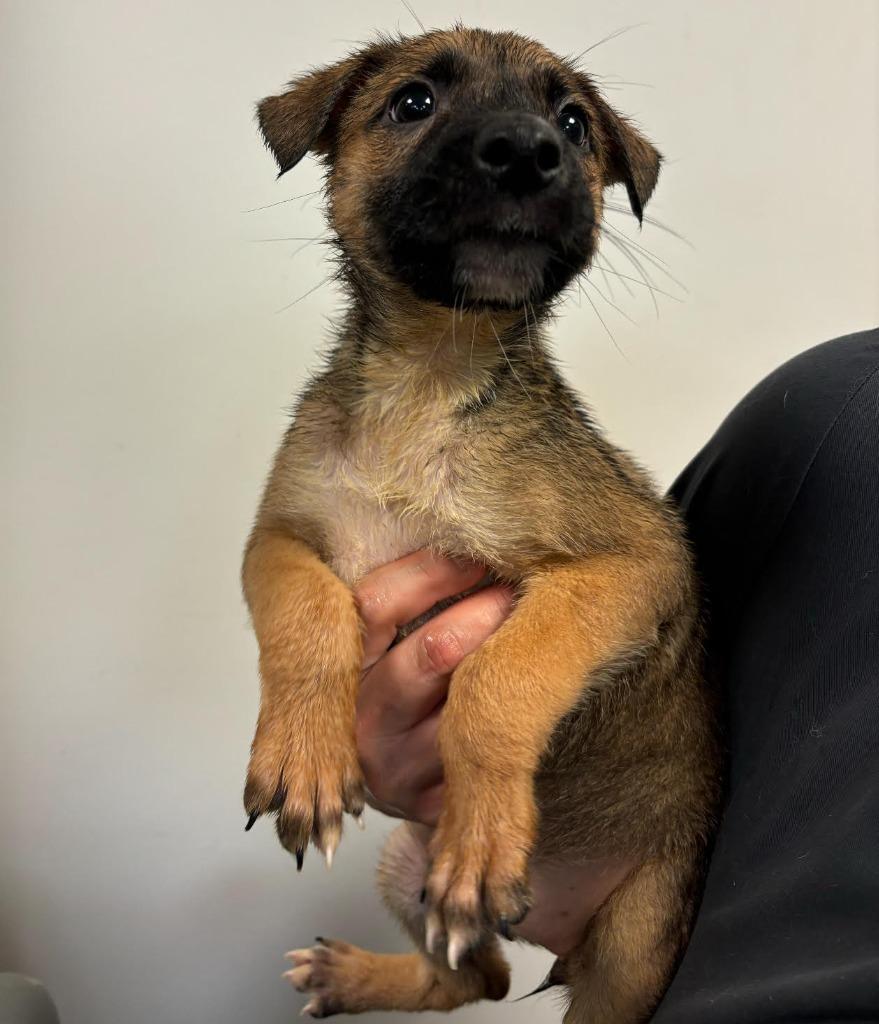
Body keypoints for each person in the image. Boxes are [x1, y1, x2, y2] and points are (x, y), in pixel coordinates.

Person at [354, 327, 879, 1022]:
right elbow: (650, 654)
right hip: (570, 879)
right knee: (403, 864)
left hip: (648, 927)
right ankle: (448, 975)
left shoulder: (833, 400)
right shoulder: (833, 402)